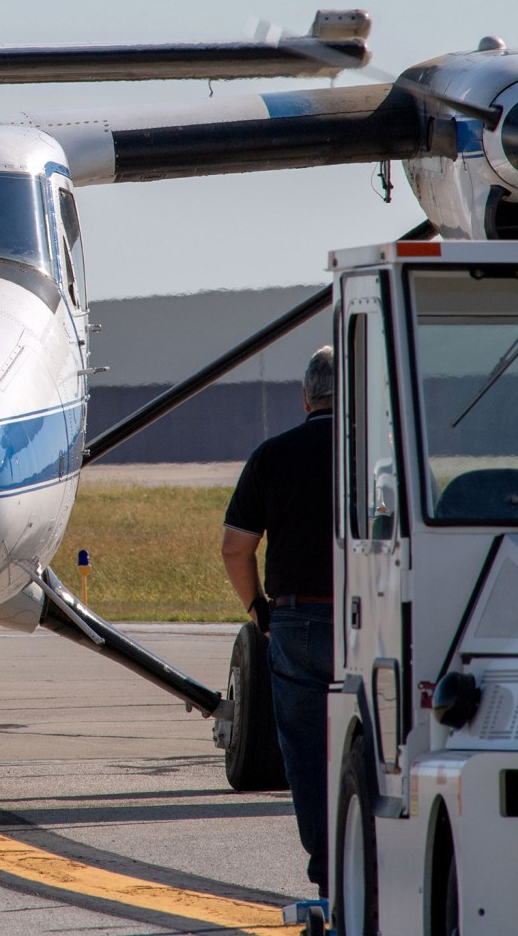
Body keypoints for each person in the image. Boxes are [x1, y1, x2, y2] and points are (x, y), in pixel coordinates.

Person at [221, 344, 336, 898]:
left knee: (307, 753)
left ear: (305, 396)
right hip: (370, 620)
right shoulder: (377, 452)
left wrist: (259, 609)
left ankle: (328, 875)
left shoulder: (271, 455)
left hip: (295, 620)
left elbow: (235, 548)